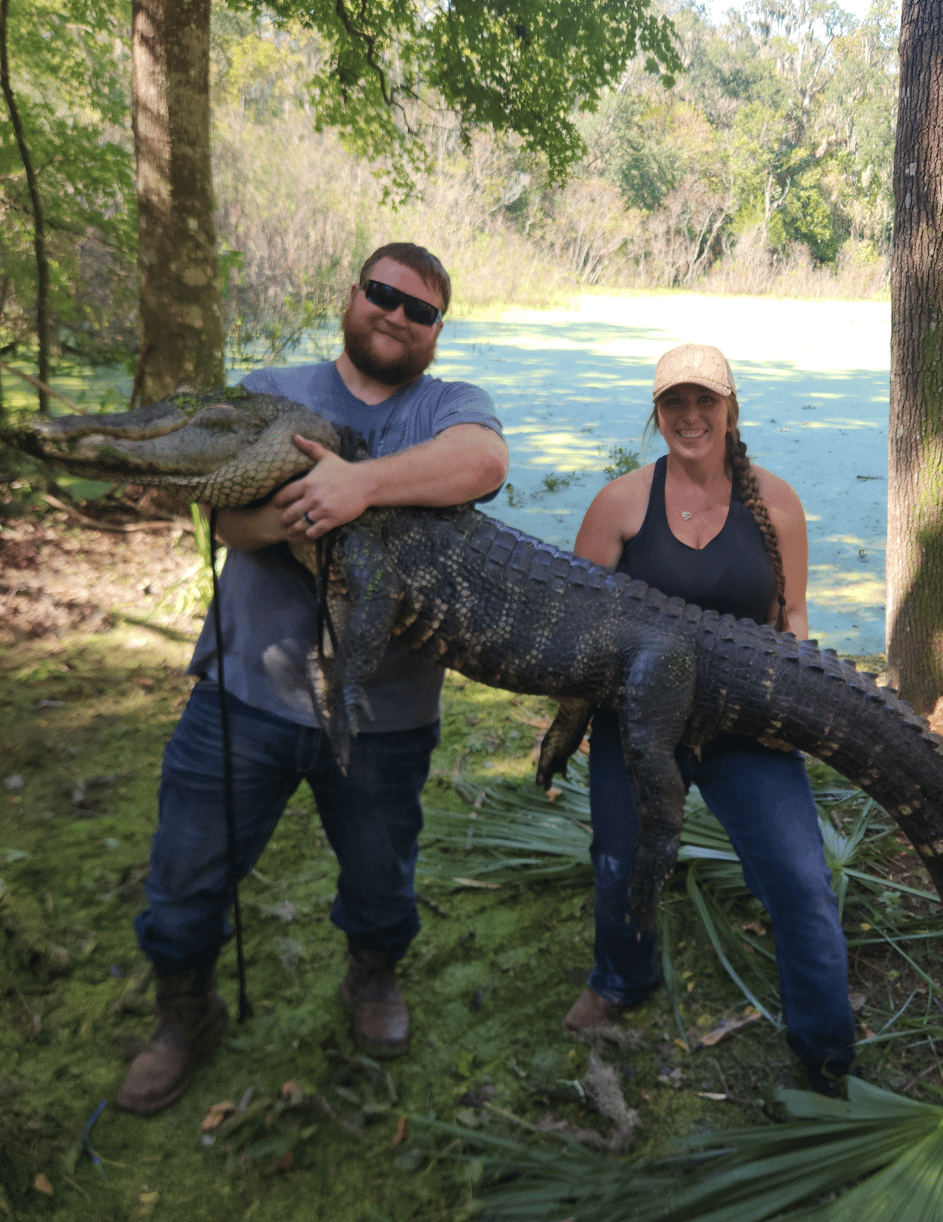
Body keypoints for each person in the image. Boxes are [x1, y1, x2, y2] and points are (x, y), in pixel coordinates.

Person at [118, 243, 508, 1114]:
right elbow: (220, 515)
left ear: (437, 332)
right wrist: (297, 517)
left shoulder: (450, 406)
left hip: (387, 711)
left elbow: (483, 465)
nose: (397, 316)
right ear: (353, 296)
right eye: (383, 294)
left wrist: (357, 487)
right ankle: (184, 1014)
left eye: (421, 311)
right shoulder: (275, 390)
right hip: (245, 691)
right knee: (185, 877)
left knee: (380, 879)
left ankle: (371, 981)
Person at [564, 342, 855, 1090]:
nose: (690, 417)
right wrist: (574, 717)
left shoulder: (778, 504)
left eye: (705, 402)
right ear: (657, 414)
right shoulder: (620, 505)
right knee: (621, 865)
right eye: (674, 404)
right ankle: (622, 978)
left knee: (802, 882)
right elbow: (578, 628)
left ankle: (824, 1049)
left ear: (729, 410)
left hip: (743, 731)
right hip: (635, 729)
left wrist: (793, 709)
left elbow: (792, 616)